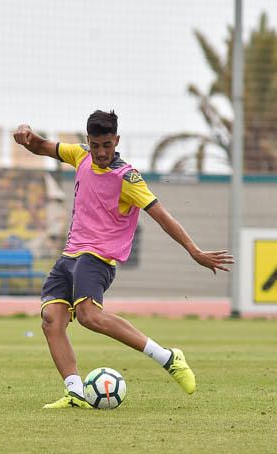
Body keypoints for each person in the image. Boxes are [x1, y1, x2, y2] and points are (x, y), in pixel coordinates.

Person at [13, 110, 233, 408]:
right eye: (95, 145)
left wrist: (194, 250)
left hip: (98, 257)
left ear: (116, 140)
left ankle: (168, 358)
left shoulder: (127, 178)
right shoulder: (80, 156)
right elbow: (40, 146)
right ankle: (75, 392)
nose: (101, 152)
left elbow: (161, 216)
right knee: (51, 320)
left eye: (107, 145)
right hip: (69, 256)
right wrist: (25, 134)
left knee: (89, 315)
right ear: (88, 142)